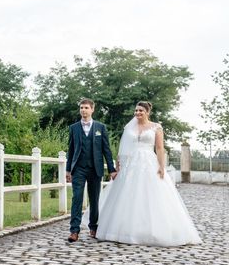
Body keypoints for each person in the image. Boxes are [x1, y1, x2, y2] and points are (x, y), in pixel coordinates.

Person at [95, 102, 201, 246]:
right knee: (128, 195)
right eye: (136, 110)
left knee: (151, 194)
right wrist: (119, 166)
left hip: (148, 162)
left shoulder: (156, 127)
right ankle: (125, 230)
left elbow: (159, 148)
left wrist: (161, 167)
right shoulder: (129, 127)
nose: (138, 113)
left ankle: (153, 230)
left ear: (147, 112)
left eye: (141, 110)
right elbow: (123, 148)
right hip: (131, 164)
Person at [65, 98, 117, 243]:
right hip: (78, 168)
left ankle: (93, 227)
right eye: (81, 107)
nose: (83, 110)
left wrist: (112, 170)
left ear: (92, 109)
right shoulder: (73, 128)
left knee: (94, 200)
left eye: (86, 108)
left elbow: (106, 150)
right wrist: (68, 170)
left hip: (95, 168)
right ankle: (74, 231)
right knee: (77, 198)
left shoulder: (101, 127)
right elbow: (71, 150)